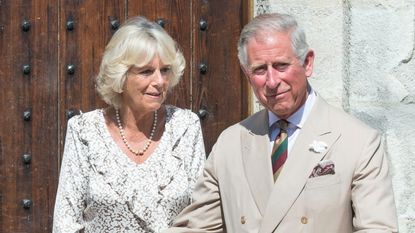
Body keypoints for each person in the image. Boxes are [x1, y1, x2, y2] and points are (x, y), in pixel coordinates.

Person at [164, 13, 398, 233]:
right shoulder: (231, 143)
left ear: (307, 63)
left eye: (281, 66)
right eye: (260, 70)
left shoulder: (357, 141)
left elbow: (377, 227)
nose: (272, 81)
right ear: (247, 75)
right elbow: (196, 227)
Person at [53, 16, 205, 233]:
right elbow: (65, 224)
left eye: (165, 70)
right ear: (121, 76)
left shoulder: (185, 126)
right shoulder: (84, 131)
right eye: (146, 71)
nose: (160, 81)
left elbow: (201, 217)